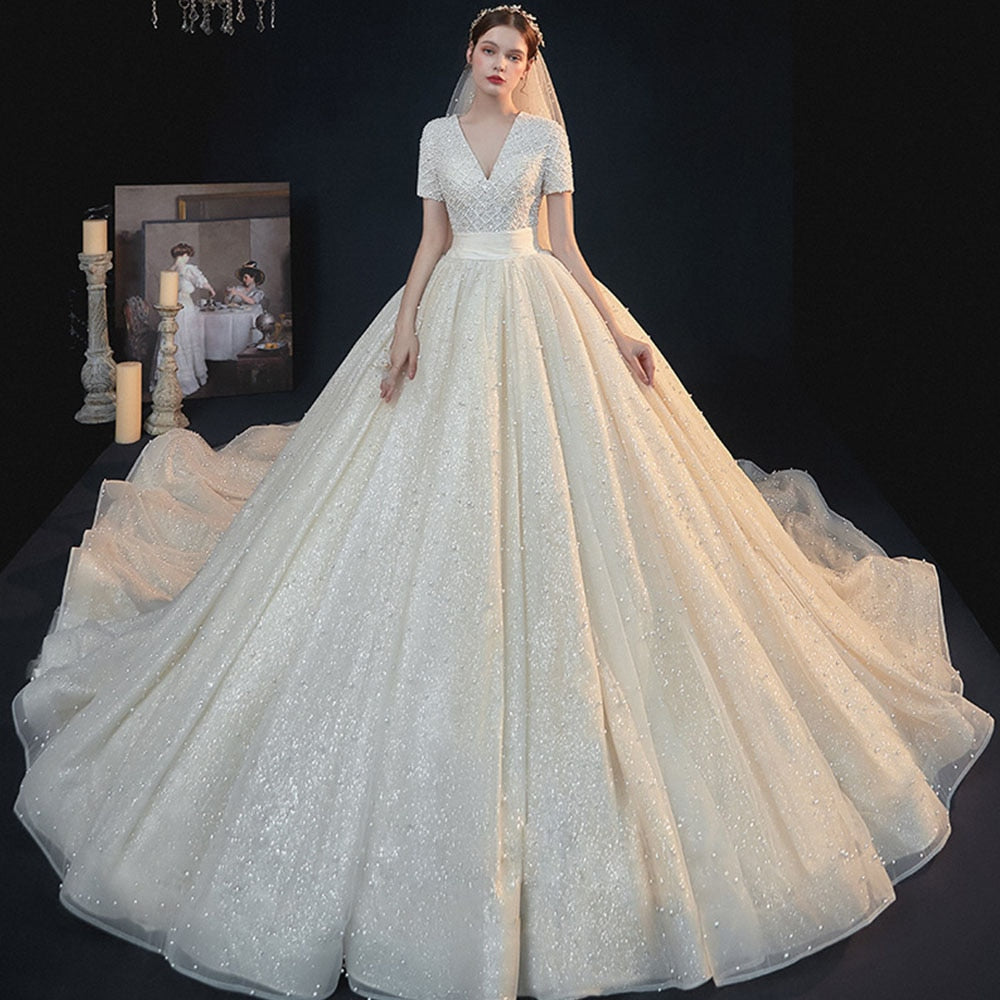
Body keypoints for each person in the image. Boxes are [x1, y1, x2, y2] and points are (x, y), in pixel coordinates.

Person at [12, 7, 992, 1000]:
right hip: (451, 308)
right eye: (488, 51)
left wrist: (616, 330)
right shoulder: (438, 137)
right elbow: (429, 244)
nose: (499, 65)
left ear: (530, 65)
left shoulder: (544, 137)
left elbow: (566, 249)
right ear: (469, 56)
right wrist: (405, 328)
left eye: (514, 55)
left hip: (538, 312)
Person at [160, 241, 215, 395]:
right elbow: (201, 282)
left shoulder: (169, 271)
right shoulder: (188, 269)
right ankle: (185, 378)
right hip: (185, 308)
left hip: (173, 307)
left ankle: (174, 375)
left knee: (176, 338)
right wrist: (211, 290)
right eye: (188, 255)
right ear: (184, 255)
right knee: (186, 338)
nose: (188, 258)